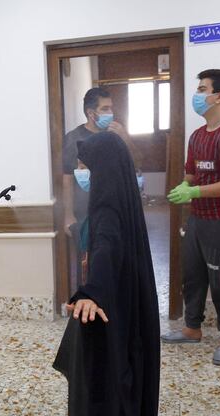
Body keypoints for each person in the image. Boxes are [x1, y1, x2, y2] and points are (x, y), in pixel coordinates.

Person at [53, 131, 160, 416]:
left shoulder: (108, 211)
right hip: (116, 307)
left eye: (86, 166)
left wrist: (92, 291)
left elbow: (107, 249)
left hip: (106, 311)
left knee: (107, 391)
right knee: (80, 368)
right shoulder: (121, 200)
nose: (81, 173)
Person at [161, 69, 220, 366]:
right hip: (197, 220)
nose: (197, 95)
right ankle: (192, 328)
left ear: (219, 96)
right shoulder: (197, 136)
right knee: (193, 276)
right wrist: (185, 186)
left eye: (202, 89)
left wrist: (196, 192)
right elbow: (191, 173)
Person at [62, 88, 144, 293]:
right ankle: (88, 301)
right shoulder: (74, 138)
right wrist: (68, 215)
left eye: (111, 108)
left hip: (115, 209)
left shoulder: (115, 136)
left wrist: (125, 137)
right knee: (87, 263)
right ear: (91, 113)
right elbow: (67, 177)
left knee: (115, 261)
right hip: (84, 210)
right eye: (105, 108)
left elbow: (137, 164)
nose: (110, 113)